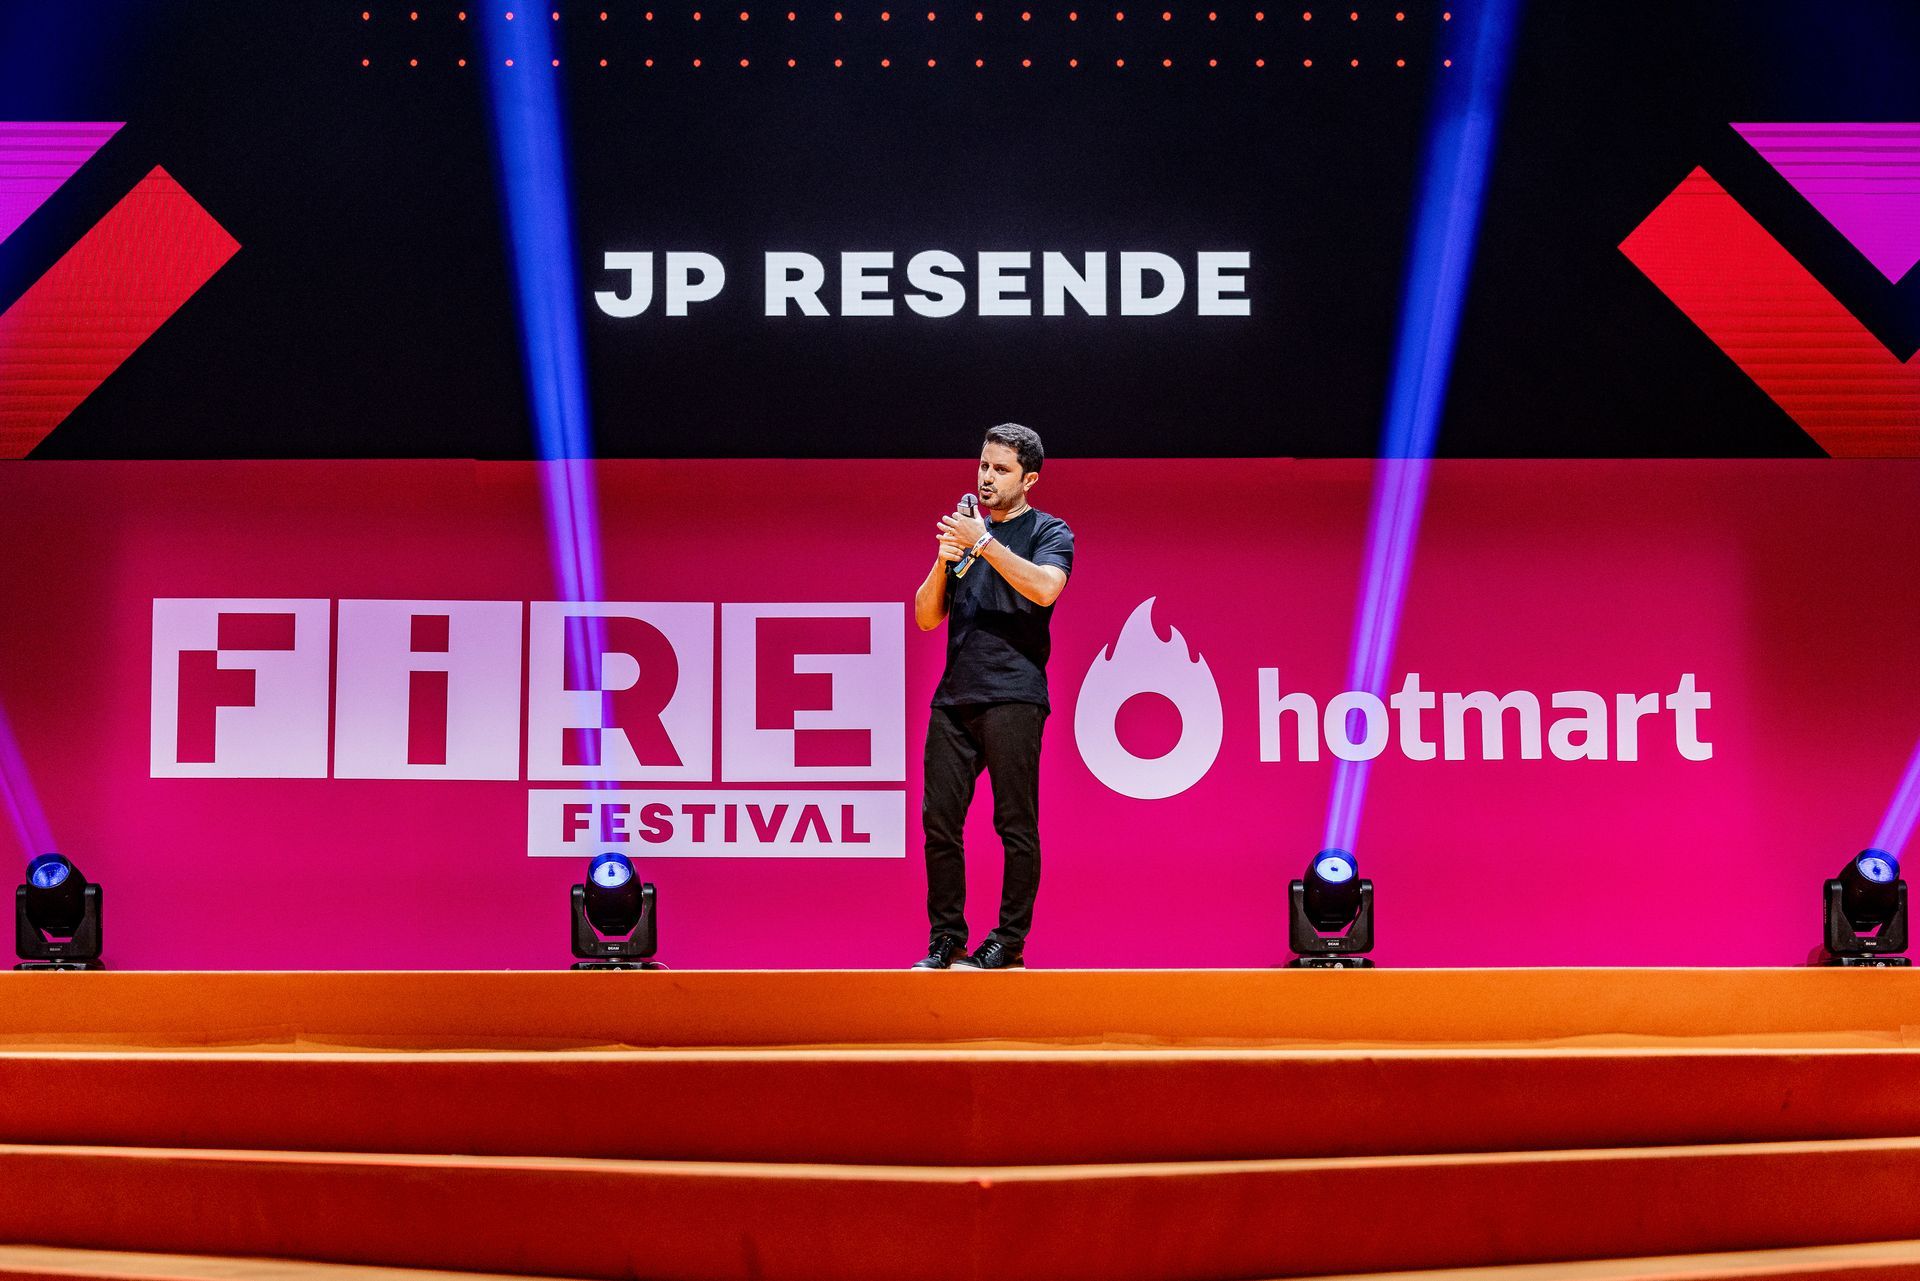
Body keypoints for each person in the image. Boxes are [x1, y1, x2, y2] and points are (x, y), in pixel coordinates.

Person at [910, 423, 1075, 970]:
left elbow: (1046, 588)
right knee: (939, 822)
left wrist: (983, 543)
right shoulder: (965, 531)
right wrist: (945, 556)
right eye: (982, 465)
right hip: (954, 696)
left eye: (1000, 469)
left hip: (1014, 694)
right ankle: (946, 937)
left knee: (1015, 824)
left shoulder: (1050, 531)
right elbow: (926, 617)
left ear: (1028, 478)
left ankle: (1008, 941)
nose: (986, 477)